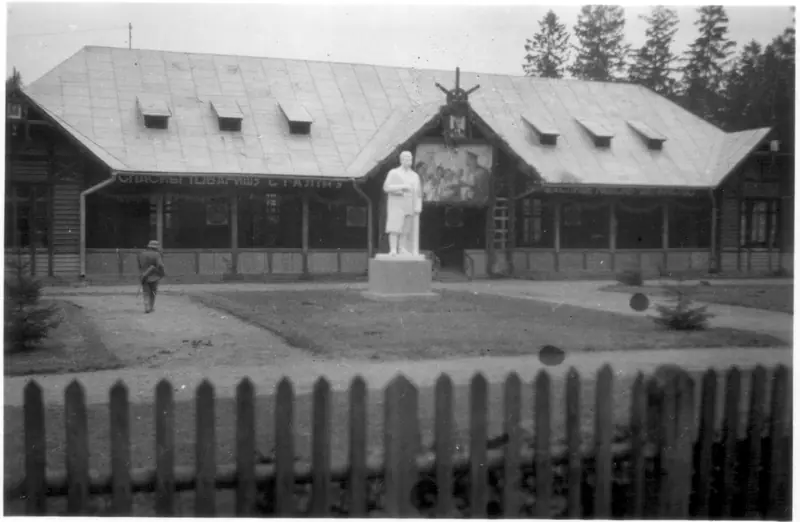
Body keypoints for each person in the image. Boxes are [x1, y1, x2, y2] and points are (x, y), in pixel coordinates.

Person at [383, 151, 423, 256]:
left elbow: (418, 193)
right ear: (401, 160)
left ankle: (401, 248)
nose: (408, 160)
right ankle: (393, 249)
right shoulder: (394, 173)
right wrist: (402, 186)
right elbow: (386, 187)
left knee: (405, 229)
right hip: (396, 204)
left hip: (409, 205)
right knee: (394, 228)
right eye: (406, 158)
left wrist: (418, 205)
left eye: (410, 158)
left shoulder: (415, 176)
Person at [138, 240, 166, 313]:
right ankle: (151, 307)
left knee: (146, 292)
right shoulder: (157, 254)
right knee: (153, 292)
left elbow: (140, 266)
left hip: (144, 276)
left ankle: (146, 306)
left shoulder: (141, 254)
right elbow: (160, 265)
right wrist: (162, 273)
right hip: (154, 276)